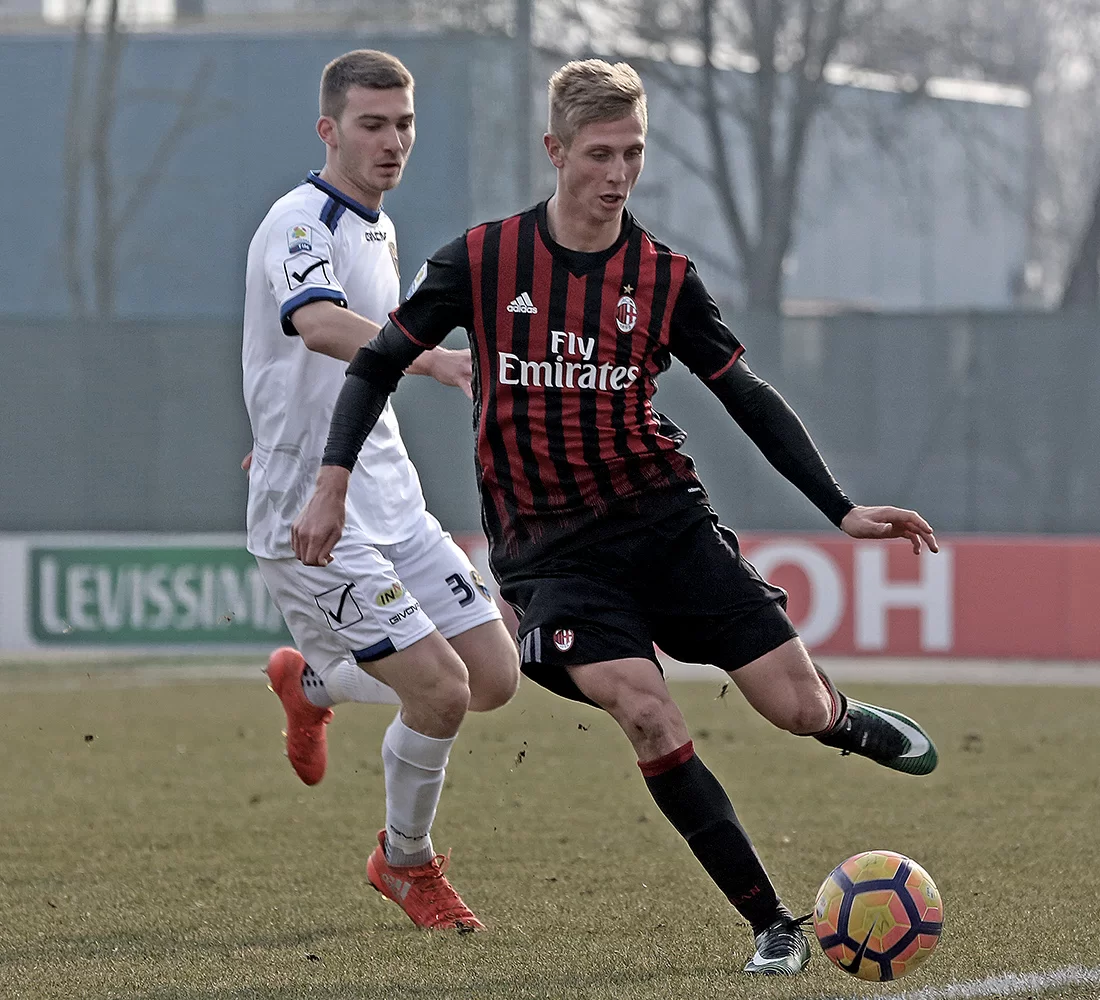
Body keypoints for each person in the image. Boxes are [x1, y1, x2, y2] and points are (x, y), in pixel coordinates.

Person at [292, 58, 939, 972]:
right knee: (647, 711)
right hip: (552, 557)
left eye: (632, 153)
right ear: (555, 151)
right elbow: (375, 362)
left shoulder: (663, 277)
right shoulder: (482, 261)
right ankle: (773, 923)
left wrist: (842, 508)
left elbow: (745, 395)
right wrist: (331, 481)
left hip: (664, 523)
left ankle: (839, 718)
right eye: (599, 153)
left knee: (793, 708)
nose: (618, 173)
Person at [242, 49, 520, 932]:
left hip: (390, 493)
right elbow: (318, 325)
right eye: (372, 124)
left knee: (493, 677)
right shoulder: (300, 221)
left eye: (403, 124)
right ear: (329, 130)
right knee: (438, 690)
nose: (392, 141)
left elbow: (320, 370)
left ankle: (314, 687)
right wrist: (429, 358)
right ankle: (405, 863)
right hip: (313, 505)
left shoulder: (380, 228)